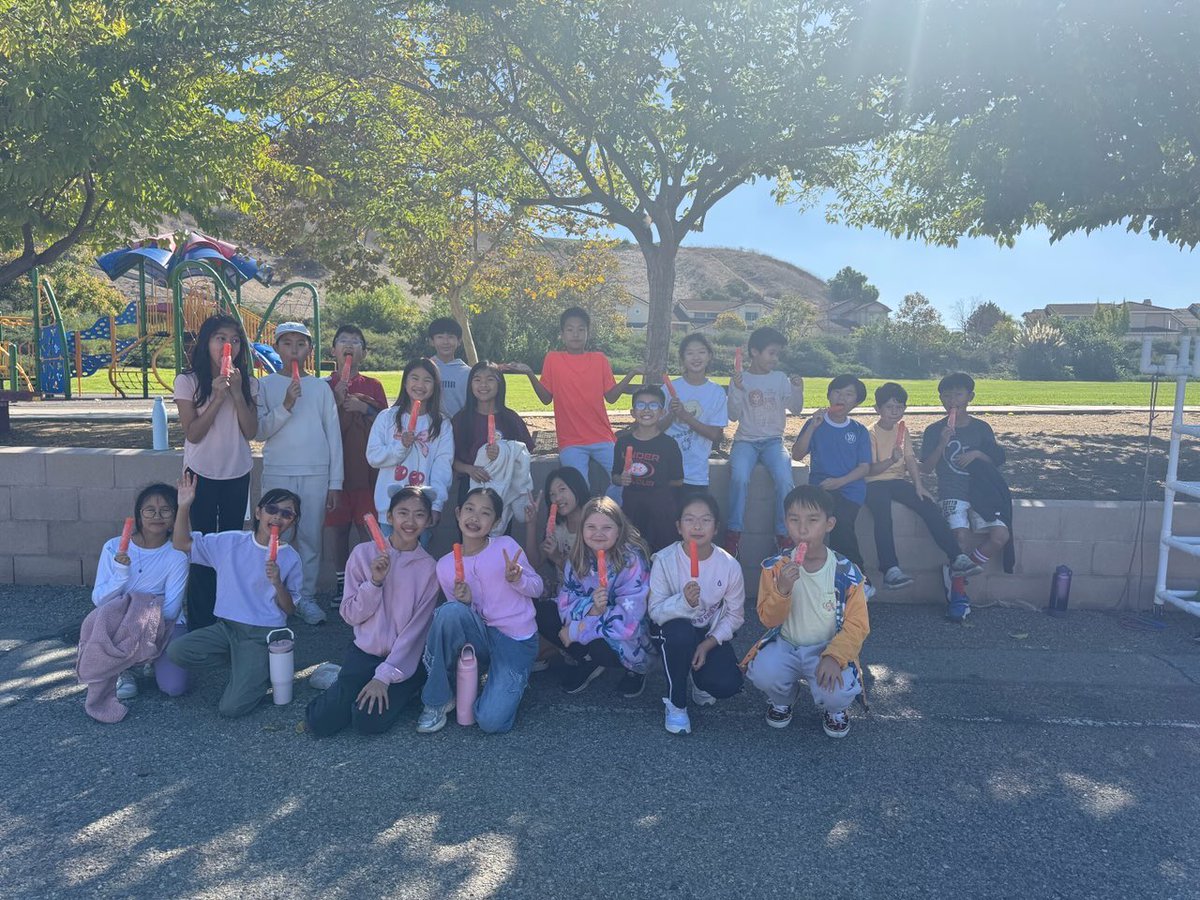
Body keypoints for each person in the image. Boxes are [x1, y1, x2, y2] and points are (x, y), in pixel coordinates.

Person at [167, 474, 304, 718]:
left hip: (262, 634)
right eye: (273, 509)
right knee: (177, 651)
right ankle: (248, 665)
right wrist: (184, 505)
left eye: (287, 514)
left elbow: (290, 609)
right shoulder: (229, 542)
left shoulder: (291, 558)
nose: (278, 517)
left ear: (292, 522)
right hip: (227, 628)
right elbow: (181, 543)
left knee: (231, 708)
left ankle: (256, 669)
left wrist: (277, 583)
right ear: (259, 512)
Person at [305, 487, 439, 737]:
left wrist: (384, 676)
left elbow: (416, 632)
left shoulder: (430, 569)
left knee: (367, 723)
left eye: (419, 515)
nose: (410, 522)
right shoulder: (363, 554)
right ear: (389, 517)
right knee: (320, 722)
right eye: (403, 513)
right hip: (364, 653)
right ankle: (342, 679)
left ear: (429, 520)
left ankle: (409, 687)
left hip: (403, 662)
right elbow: (350, 615)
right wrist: (374, 583)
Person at [745, 485, 869, 739]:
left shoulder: (846, 572)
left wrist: (835, 656)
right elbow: (768, 619)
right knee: (762, 672)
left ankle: (835, 709)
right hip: (786, 644)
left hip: (827, 648)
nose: (802, 529)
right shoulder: (774, 568)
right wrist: (782, 590)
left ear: (829, 524)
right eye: (794, 520)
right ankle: (783, 698)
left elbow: (858, 625)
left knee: (838, 689)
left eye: (813, 520)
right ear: (785, 523)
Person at [416, 488, 544, 735]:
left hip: (515, 639)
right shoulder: (445, 566)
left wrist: (518, 580)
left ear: (496, 522)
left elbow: (537, 588)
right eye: (470, 509)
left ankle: (511, 680)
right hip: (480, 636)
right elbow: (458, 623)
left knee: (490, 721)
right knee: (448, 612)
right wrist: (465, 602)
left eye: (485, 513)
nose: (475, 518)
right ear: (458, 512)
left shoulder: (505, 547)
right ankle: (437, 700)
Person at [173, 315, 258, 629]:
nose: (228, 346)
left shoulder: (248, 382)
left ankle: (229, 617)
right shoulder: (188, 381)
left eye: (235, 340)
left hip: (237, 473)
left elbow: (251, 432)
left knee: (232, 549)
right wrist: (217, 397)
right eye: (220, 338)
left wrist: (236, 394)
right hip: (200, 475)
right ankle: (201, 621)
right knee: (201, 547)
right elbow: (193, 433)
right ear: (206, 342)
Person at [77, 484, 191, 721]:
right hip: (120, 623)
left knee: (174, 687)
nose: (157, 516)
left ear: (175, 516)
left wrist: (138, 606)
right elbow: (100, 600)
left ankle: (148, 658)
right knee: (108, 618)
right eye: (149, 510)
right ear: (139, 514)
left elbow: (171, 610)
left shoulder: (177, 554)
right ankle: (123, 669)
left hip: (163, 624)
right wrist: (120, 573)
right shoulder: (113, 547)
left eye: (166, 510)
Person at [256, 321, 343, 625]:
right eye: (287, 343)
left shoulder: (320, 387)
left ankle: (304, 598)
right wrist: (287, 404)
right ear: (276, 347)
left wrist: (335, 483)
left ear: (310, 349)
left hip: (315, 472)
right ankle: (274, 597)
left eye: (300, 344)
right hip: (278, 471)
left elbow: (333, 435)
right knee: (276, 536)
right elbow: (260, 430)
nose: (294, 350)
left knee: (309, 538)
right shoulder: (265, 385)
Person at [508, 307, 641, 497]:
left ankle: (610, 519)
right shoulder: (553, 359)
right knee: (577, 489)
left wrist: (632, 374)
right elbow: (546, 399)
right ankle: (584, 524)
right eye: (570, 329)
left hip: (603, 437)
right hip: (571, 441)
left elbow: (611, 397)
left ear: (588, 333)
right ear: (562, 334)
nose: (576, 334)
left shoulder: (599, 359)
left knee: (624, 479)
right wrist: (530, 374)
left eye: (581, 329)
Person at [864, 382, 981, 590]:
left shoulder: (902, 429)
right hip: (874, 483)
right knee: (883, 515)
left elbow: (909, 460)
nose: (894, 412)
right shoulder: (870, 433)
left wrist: (919, 486)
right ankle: (890, 569)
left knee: (928, 505)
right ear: (877, 409)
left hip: (897, 481)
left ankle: (957, 557)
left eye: (899, 407)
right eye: (889, 407)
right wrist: (891, 460)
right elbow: (870, 470)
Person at [535, 497, 652, 698]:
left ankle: (635, 669)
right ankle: (588, 660)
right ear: (582, 529)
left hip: (625, 638)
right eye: (591, 526)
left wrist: (575, 631)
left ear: (619, 529)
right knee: (544, 612)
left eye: (607, 527)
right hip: (591, 622)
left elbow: (629, 619)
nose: (598, 533)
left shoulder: (632, 560)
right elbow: (566, 601)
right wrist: (591, 607)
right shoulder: (578, 557)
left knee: (599, 644)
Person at [648, 493, 745, 735]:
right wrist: (684, 602)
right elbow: (655, 611)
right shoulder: (664, 560)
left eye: (705, 520)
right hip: (672, 630)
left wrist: (708, 644)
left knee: (727, 684)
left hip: (706, 633)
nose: (697, 526)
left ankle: (699, 681)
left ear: (716, 528)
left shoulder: (729, 565)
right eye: (689, 519)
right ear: (679, 527)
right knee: (680, 634)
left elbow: (735, 615)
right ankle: (676, 703)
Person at [920, 372, 1013, 576]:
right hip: (951, 490)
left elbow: (996, 460)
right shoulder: (933, 430)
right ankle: (958, 592)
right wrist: (942, 443)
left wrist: (978, 454)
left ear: (970, 397)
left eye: (958, 395)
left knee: (1000, 537)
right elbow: (925, 469)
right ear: (940, 399)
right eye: (947, 396)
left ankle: (958, 572)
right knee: (959, 538)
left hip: (981, 491)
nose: (953, 401)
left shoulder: (981, 428)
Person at [725, 326, 804, 557]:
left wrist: (798, 389)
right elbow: (732, 415)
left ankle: (783, 535)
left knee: (784, 478)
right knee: (738, 476)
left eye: (777, 353)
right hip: (745, 442)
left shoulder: (780, 379)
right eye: (771, 353)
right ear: (754, 352)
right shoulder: (741, 378)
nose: (775, 358)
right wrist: (738, 389)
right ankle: (733, 534)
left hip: (773, 443)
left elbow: (796, 409)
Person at [325, 325, 388, 605]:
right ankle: (340, 582)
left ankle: (367, 579)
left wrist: (366, 409)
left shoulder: (373, 386)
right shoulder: (323, 386)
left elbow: (388, 424)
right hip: (335, 472)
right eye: (343, 341)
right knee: (337, 530)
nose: (349, 345)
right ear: (333, 351)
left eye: (356, 341)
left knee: (368, 528)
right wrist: (336, 400)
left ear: (364, 351)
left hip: (367, 472)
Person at [791, 375, 872, 581]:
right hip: (821, 489)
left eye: (848, 394)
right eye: (837, 392)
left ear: (857, 402)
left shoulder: (859, 430)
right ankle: (809, 574)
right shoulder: (815, 423)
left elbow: (864, 468)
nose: (841, 398)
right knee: (810, 526)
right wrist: (812, 427)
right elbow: (797, 454)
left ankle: (857, 575)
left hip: (850, 489)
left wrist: (839, 482)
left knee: (841, 522)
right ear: (828, 395)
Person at [366, 358, 454, 544]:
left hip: (422, 511)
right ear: (405, 382)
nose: (420, 385)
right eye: (414, 378)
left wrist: (436, 505)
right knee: (389, 563)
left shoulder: (441, 424)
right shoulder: (386, 417)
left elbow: (442, 467)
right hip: (389, 509)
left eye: (427, 380)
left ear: (435, 386)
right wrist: (401, 446)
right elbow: (373, 457)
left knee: (417, 564)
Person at [451, 360, 536, 524]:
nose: (483, 384)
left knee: (501, 537)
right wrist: (470, 469)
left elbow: (524, 454)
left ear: (500, 384)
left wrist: (504, 453)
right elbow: (450, 458)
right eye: (477, 379)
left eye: (490, 379)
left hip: (504, 489)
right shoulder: (461, 419)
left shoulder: (511, 419)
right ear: (470, 385)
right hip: (469, 487)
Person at [613, 384, 684, 553]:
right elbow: (614, 476)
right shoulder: (623, 443)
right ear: (632, 412)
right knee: (634, 555)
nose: (646, 410)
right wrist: (621, 478)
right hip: (632, 510)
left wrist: (657, 483)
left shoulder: (669, 445)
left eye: (653, 405)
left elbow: (678, 480)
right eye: (640, 405)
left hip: (662, 512)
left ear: (662, 412)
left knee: (662, 555)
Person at [659, 333, 728, 496]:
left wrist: (685, 416)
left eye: (701, 352)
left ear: (709, 356)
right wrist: (670, 413)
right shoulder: (668, 389)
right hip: (665, 472)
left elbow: (716, 435)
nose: (696, 357)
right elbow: (655, 430)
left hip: (696, 474)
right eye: (690, 353)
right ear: (682, 358)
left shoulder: (716, 392)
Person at [427, 317, 473, 419]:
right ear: (431, 341)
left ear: (459, 341)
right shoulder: (425, 369)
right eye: (440, 337)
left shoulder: (468, 373)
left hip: (459, 427)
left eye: (451, 337)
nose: (445, 342)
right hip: (428, 429)